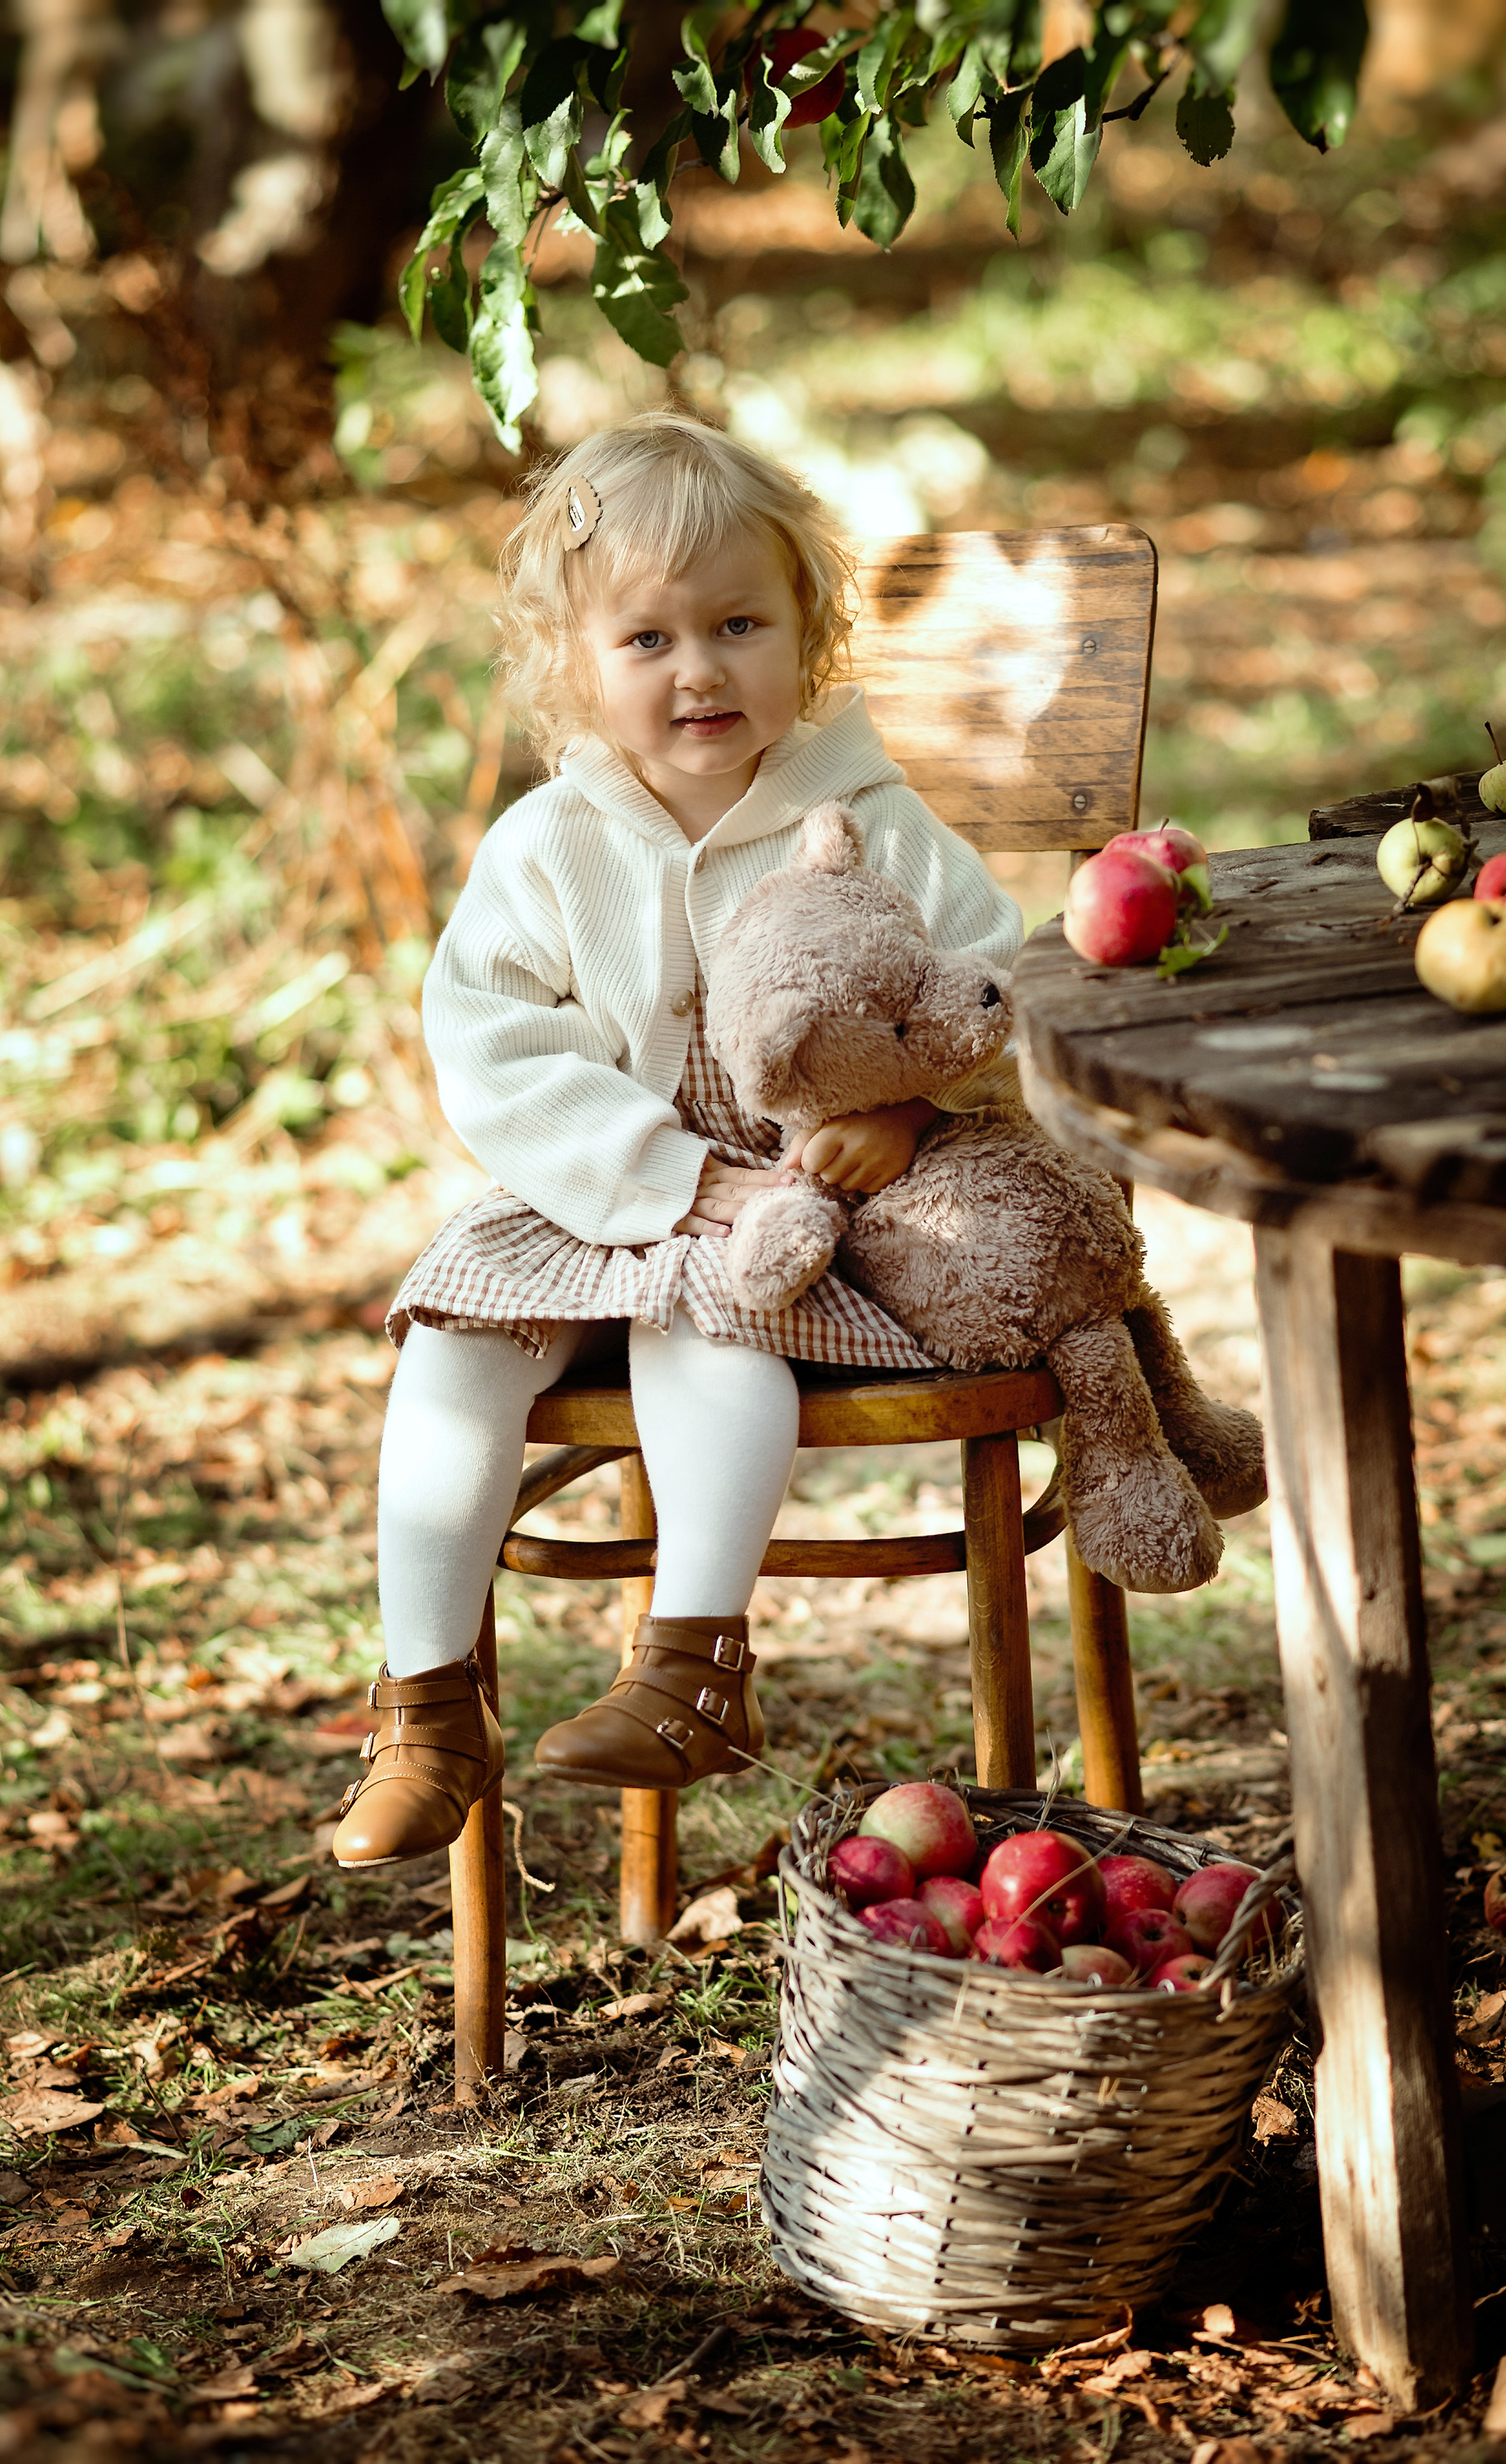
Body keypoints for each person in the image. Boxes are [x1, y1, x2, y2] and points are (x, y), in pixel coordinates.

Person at [331, 411, 1022, 1870]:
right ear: (576, 667)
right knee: (452, 1338)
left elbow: (990, 989)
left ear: (809, 629)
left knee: (706, 1320)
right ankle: (429, 1703)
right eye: (646, 641)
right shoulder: (547, 846)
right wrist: (654, 1174)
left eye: (736, 625)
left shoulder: (867, 819)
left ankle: (694, 1660)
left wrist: (901, 1111)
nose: (698, 670)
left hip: (794, 1204)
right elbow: (494, 1040)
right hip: (593, 1183)